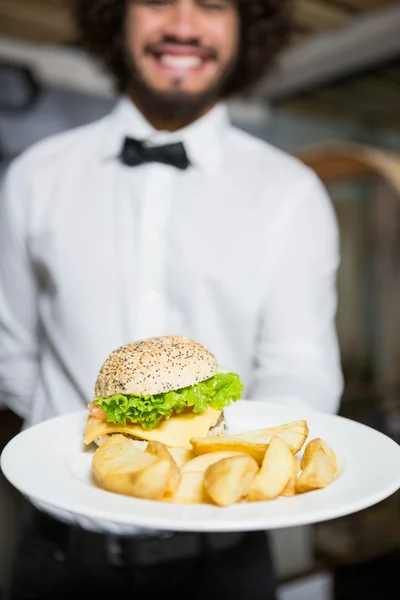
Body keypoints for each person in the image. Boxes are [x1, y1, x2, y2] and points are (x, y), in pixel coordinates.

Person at [0, 0, 344, 598]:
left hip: (227, 563)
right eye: (158, 0)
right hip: (62, 561)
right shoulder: (35, 176)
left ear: (245, 26)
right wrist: (82, 454)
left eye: (211, 4)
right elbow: (11, 354)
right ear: (117, 17)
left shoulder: (292, 193)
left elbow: (300, 372)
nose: (183, 25)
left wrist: (209, 464)